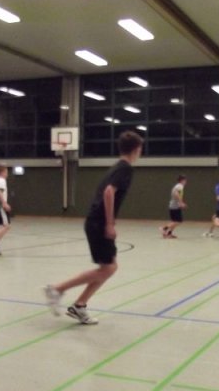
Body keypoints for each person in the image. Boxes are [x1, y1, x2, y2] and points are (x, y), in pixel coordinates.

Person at [44, 130, 144, 324]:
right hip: (99, 222)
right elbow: (108, 192)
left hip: (95, 221)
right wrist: (110, 223)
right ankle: (57, 289)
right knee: (109, 268)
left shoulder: (118, 167)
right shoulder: (125, 169)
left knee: (108, 267)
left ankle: (79, 305)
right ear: (136, 149)